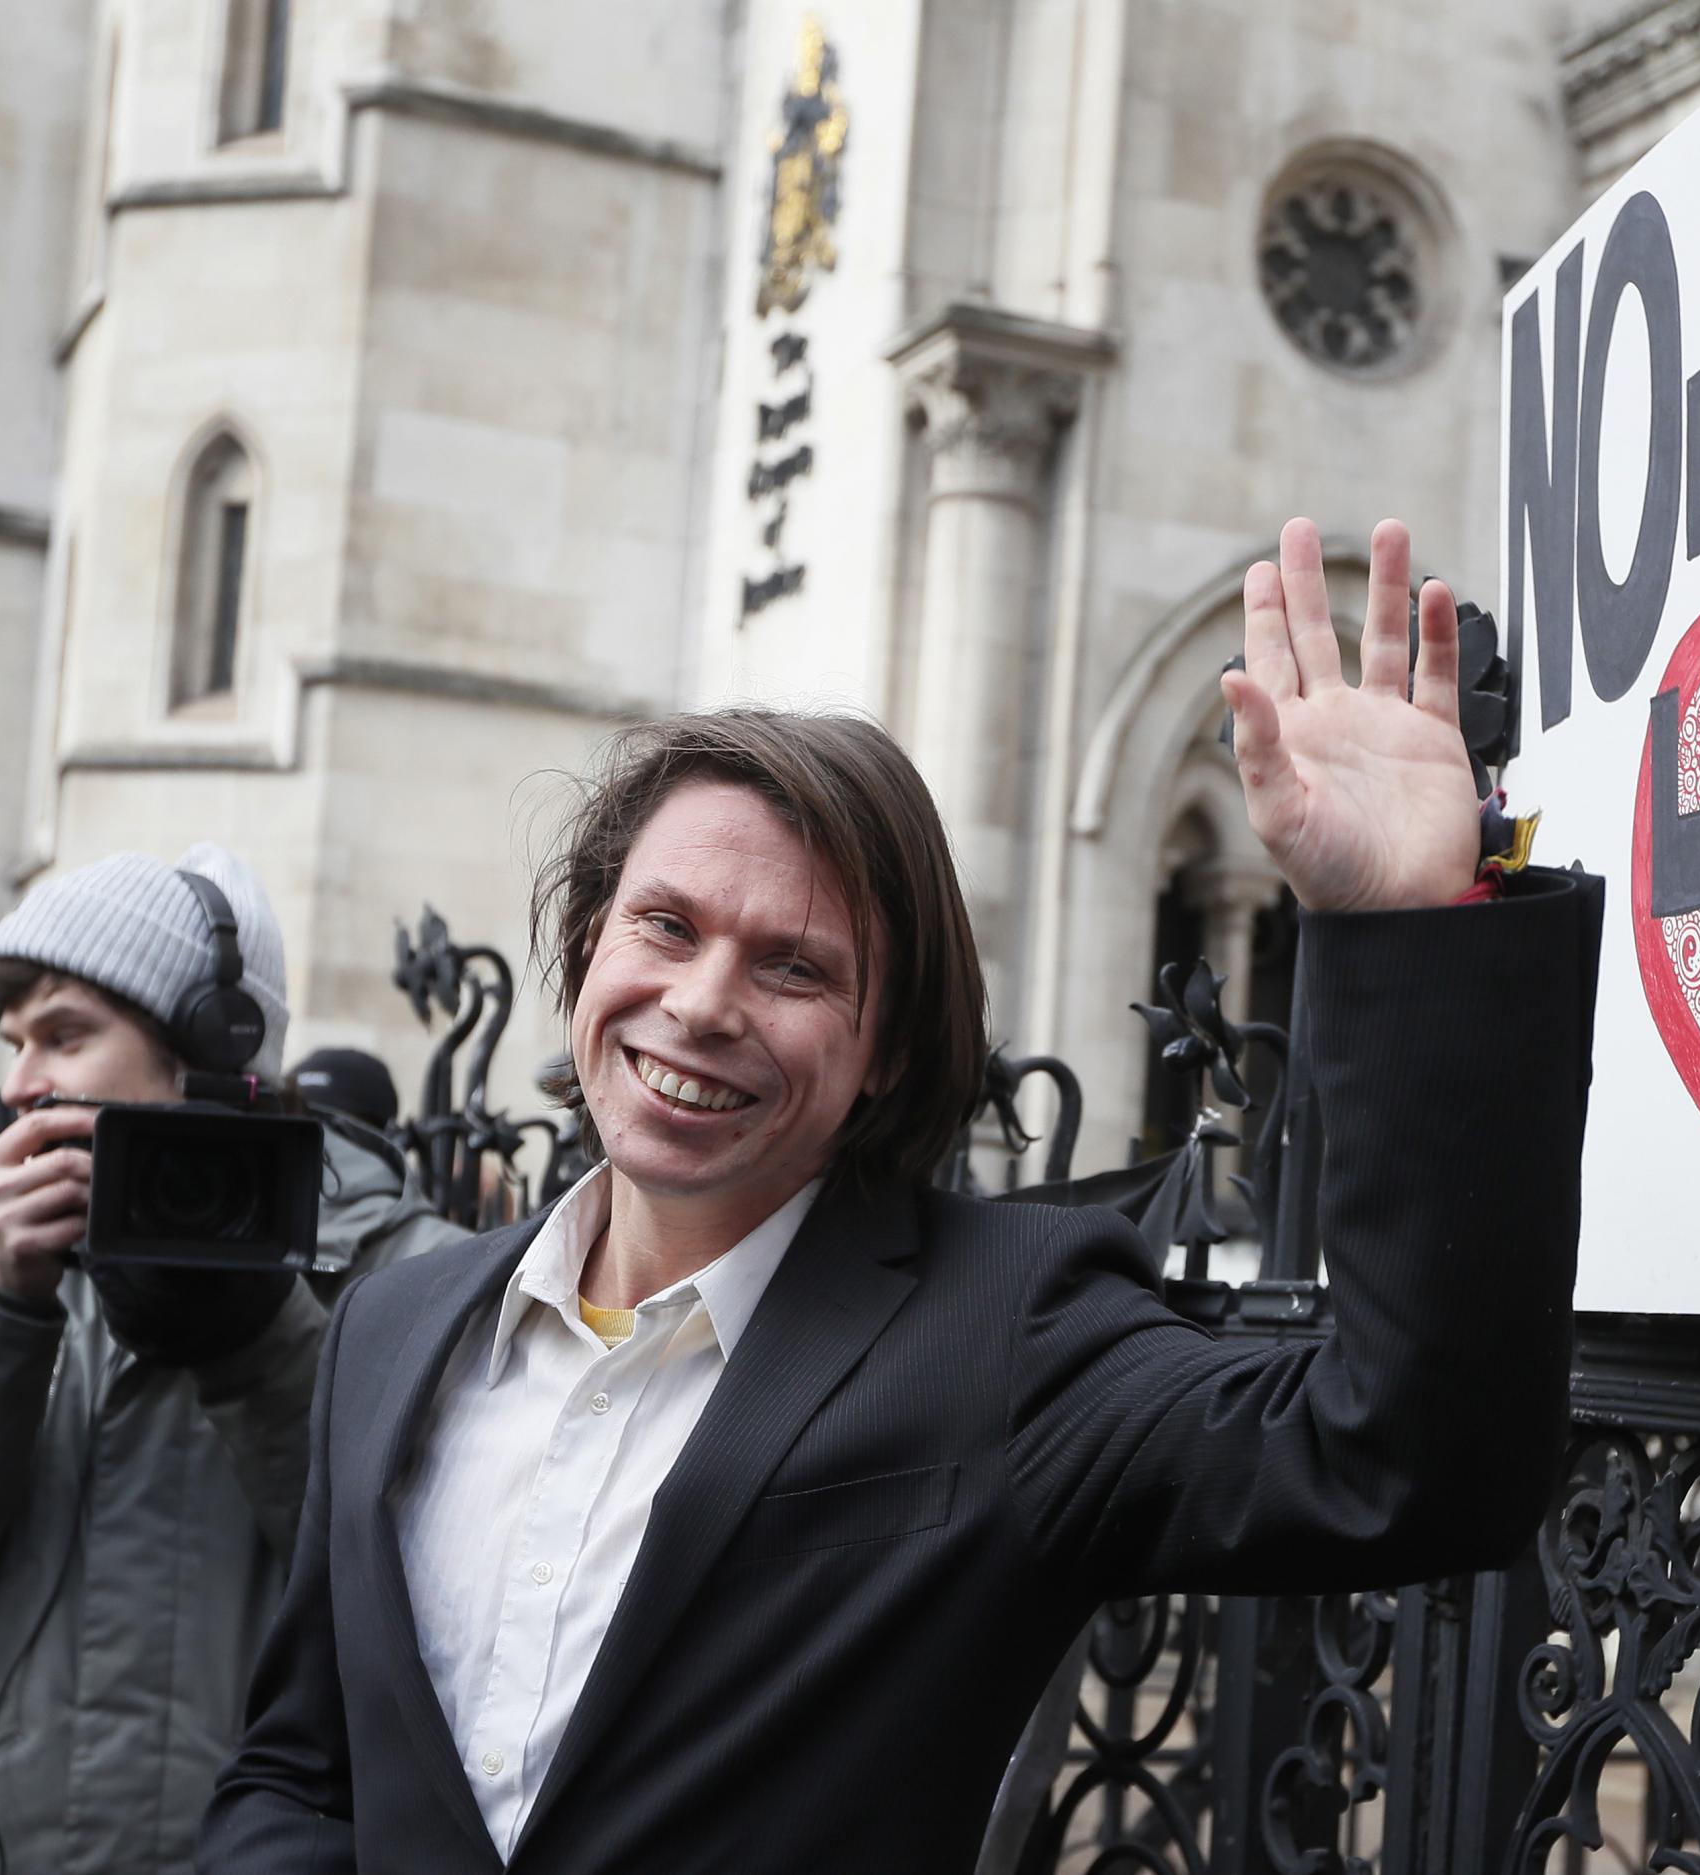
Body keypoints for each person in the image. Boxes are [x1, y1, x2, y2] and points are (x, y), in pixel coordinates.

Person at [202, 519, 1602, 1873]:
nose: (700, 1004)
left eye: (794, 967)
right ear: (587, 945)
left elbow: (1413, 1461)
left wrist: (1415, 930)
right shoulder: (393, 1326)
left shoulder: (1008, 1330)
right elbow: (299, 1768)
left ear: (882, 1051)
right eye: (667, 926)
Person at [0, 843, 465, 1875]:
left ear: (215, 1048)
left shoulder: (421, 1280)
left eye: (64, 1035)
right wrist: (0, 1309)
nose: (18, 1086)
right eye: (12, 1043)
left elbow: (430, 1624)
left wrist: (253, 1341)